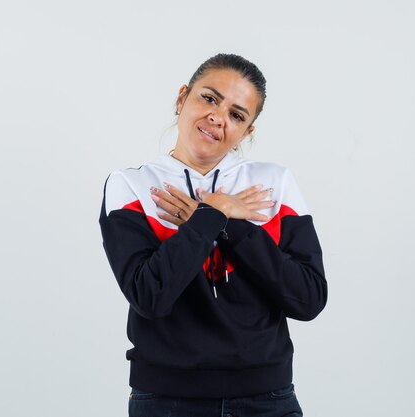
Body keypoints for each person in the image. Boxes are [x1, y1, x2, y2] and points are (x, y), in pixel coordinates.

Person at [99, 53, 327, 417]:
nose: (218, 118)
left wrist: (228, 224)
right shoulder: (132, 186)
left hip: (267, 398)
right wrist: (213, 214)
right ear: (182, 98)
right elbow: (150, 296)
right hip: (166, 400)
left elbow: (308, 299)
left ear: (247, 131)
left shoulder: (274, 184)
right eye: (209, 98)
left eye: (237, 115)